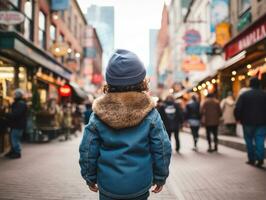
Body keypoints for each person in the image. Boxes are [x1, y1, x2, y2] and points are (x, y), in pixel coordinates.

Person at [79, 49, 171, 200]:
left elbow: (88, 149)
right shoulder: (151, 114)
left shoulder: (98, 115)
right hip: (139, 185)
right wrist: (160, 176)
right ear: (142, 81)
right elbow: (162, 147)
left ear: (109, 81)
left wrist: (89, 177)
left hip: (108, 185)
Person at [234, 77, 266, 167]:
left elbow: (238, 108)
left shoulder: (244, 95)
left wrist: (238, 118)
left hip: (247, 122)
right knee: (260, 139)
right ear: (259, 84)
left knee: (249, 140)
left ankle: (251, 159)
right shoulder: (264, 95)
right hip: (262, 122)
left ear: (250, 84)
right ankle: (260, 159)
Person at [5, 89, 28, 159]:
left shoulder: (20, 103)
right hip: (16, 124)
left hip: (17, 124)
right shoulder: (19, 103)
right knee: (13, 138)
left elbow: (16, 114)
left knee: (14, 138)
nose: (13, 96)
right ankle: (13, 151)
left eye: (14, 95)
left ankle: (17, 152)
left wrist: (7, 114)